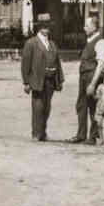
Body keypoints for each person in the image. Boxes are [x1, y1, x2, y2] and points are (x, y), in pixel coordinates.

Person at [20, 13, 64, 141]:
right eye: (44, 26)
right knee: (37, 107)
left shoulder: (52, 44)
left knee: (47, 107)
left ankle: (43, 132)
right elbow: (25, 64)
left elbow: (58, 63)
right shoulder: (31, 43)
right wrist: (26, 82)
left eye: (48, 26)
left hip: (50, 80)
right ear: (39, 27)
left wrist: (59, 80)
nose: (46, 28)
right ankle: (36, 134)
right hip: (37, 80)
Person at [71, 12, 104, 144]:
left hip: (93, 77)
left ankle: (92, 137)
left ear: (94, 27)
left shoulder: (101, 42)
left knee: (93, 106)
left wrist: (93, 84)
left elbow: (100, 65)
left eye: (86, 26)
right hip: (84, 77)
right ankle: (81, 135)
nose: (84, 28)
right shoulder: (88, 41)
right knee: (81, 105)